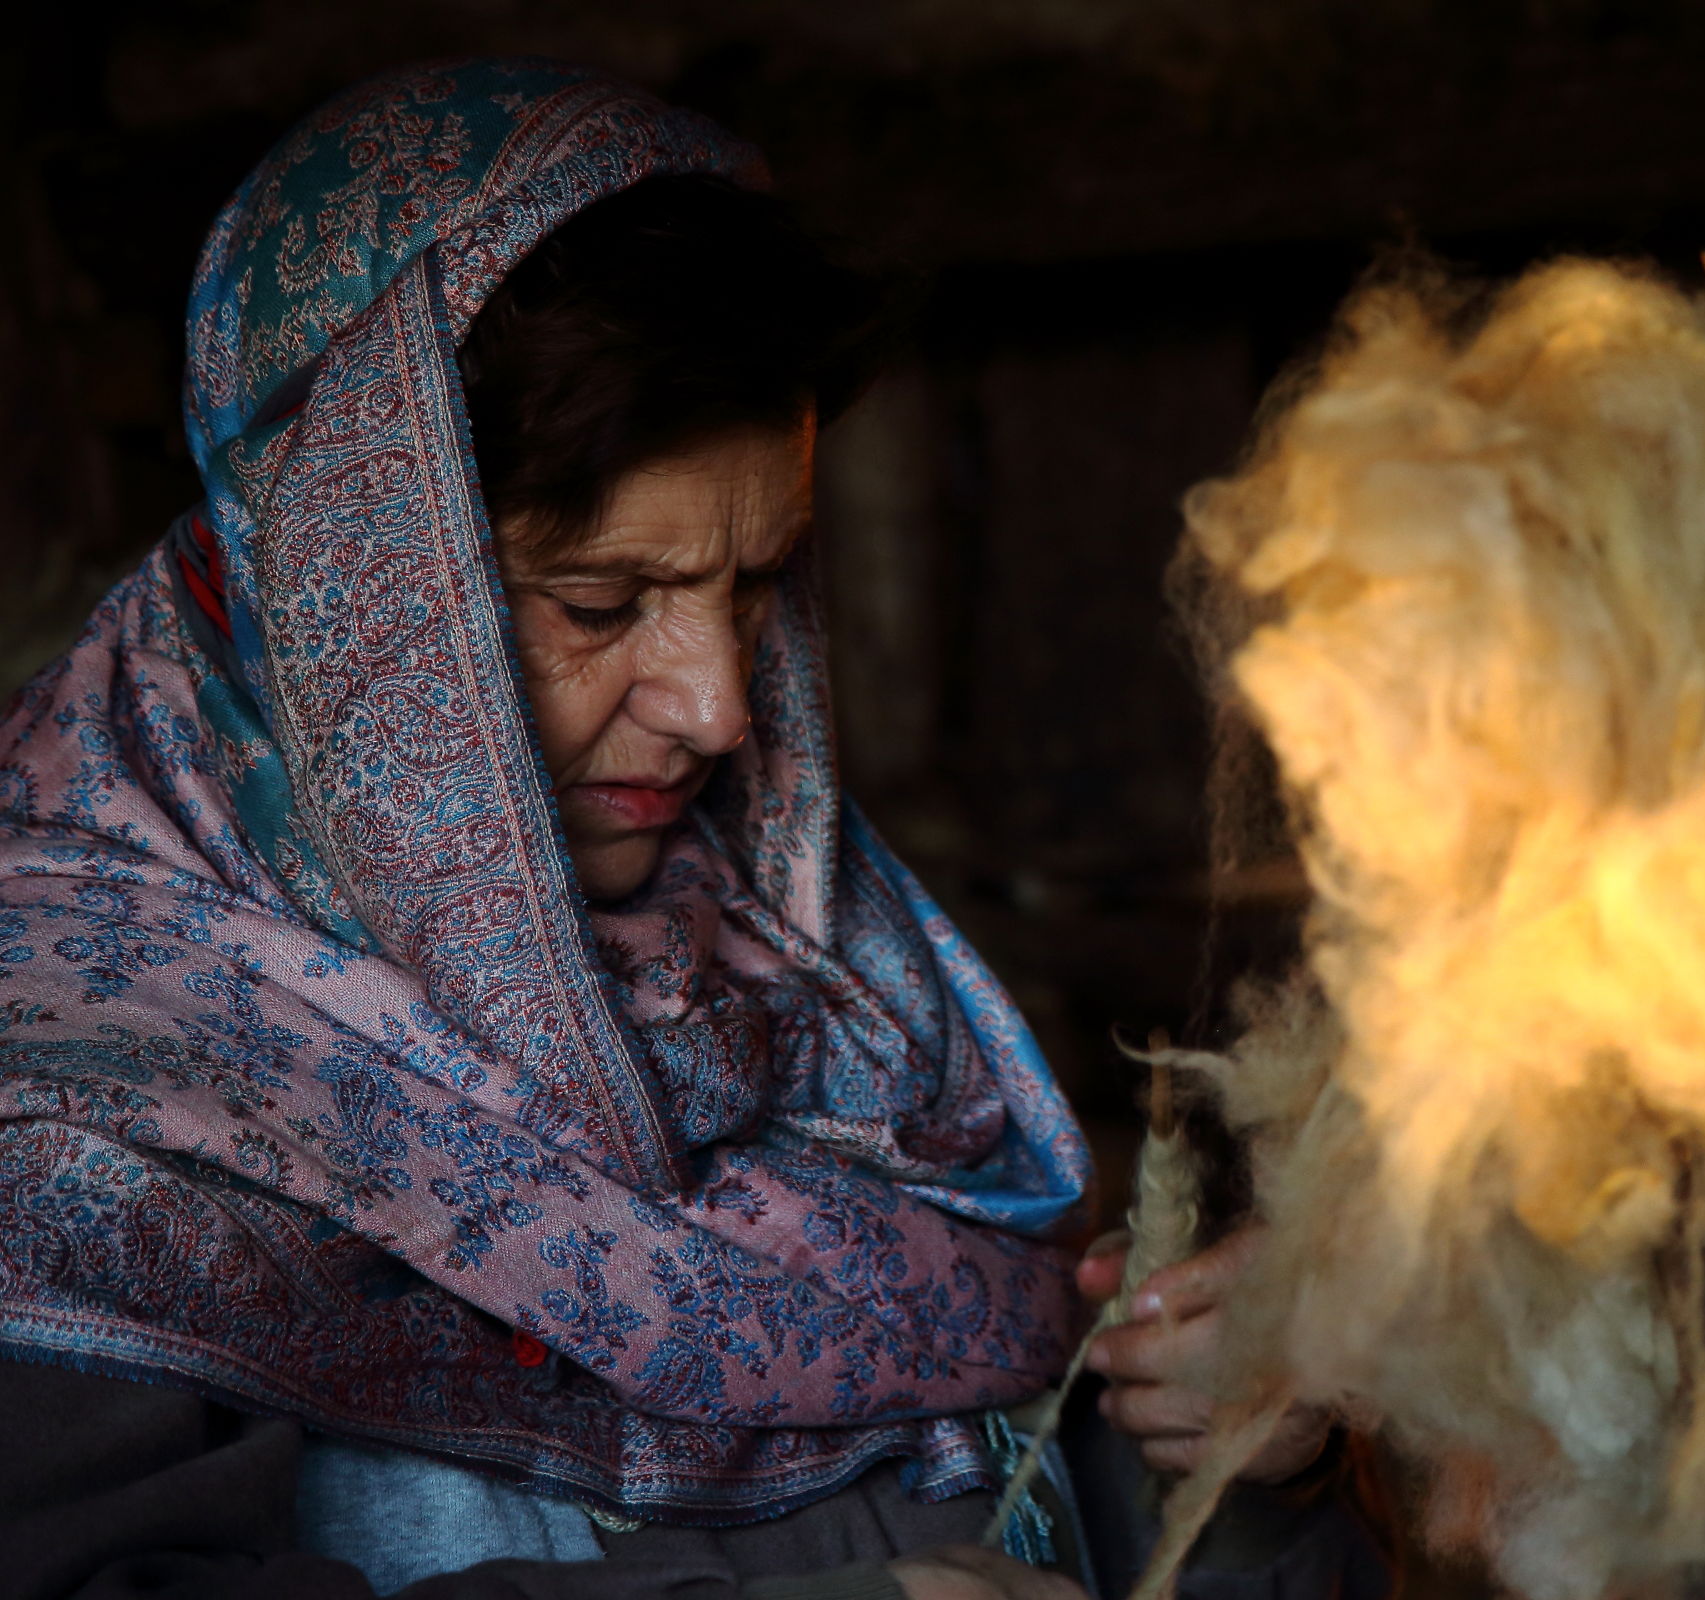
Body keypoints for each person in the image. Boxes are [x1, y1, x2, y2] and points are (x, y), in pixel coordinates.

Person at [0, 59, 1371, 1600]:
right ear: (349, 590)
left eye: (758, 582)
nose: (719, 710)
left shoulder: (835, 1005)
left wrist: (1251, 1478)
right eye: (601, 601)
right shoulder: (71, 1092)